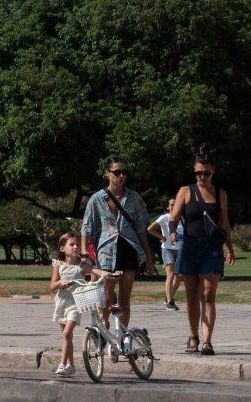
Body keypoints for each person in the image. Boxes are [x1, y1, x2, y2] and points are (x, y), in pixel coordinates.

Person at [167, 144, 236, 356]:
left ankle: (207, 341)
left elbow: (224, 223)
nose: (201, 177)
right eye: (198, 173)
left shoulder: (220, 193)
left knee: (208, 295)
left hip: (211, 248)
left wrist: (230, 249)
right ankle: (193, 335)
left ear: (213, 171)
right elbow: (174, 216)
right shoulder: (186, 191)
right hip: (189, 246)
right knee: (190, 296)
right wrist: (171, 232)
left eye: (206, 173)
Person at [81, 156, 156, 330]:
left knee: (124, 300)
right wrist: (85, 253)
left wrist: (148, 256)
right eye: (117, 172)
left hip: (129, 248)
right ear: (107, 174)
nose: (121, 176)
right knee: (106, 298)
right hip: (106, 250)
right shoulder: (96, 199)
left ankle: (122, 337)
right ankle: (104, 333)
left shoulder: (134, 198)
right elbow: (87, 227)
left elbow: (141, 229)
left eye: (124, 172)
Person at [48, 231, 109, 377]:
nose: (75, 247)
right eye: (72, 244)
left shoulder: (82, 265)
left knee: (67, 332)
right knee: (67, 336)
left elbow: (94, 270)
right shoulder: (58, 265)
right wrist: (60, 283)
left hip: (76, 303)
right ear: (63, 248)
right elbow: (52, 286)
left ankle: (62, 364)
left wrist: (107, 274)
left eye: (77, 244)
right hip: (61, 302)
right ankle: (71, 365)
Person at [147, 196, 184, 310]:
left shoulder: (182, 218)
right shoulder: (164, 218)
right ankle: (170, 302)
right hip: (167, 249)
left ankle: (168, 296)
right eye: (171, 204)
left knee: (179, 277)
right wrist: (162, 237)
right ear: (168, 207)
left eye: (176, 204)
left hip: (181, 249)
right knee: (171, 274)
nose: (174, 206)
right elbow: (150, 229)